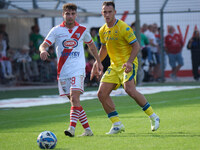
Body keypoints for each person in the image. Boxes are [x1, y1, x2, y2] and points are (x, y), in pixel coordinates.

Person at [91, 1, 160, 135]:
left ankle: (153, 116)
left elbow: (136, 46)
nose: (107, 14)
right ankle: (117, 124)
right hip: (114, 66)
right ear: (102, 13)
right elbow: (104, 48)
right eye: (105, 12)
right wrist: (96, 63)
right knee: (101, 94)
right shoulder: (102, 30)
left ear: (115, 13)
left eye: (110, 12)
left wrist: (129, 62)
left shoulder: (124, 28)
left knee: (130, 90)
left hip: (128, 64)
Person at [39, 3, 103, 137]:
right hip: (63, 71)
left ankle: (71, 129)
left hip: (78, 70)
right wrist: (43, 50)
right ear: (63, 15)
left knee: (74, 98)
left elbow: (91, 46)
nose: (70, 16)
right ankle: (88, 130)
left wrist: (98, 61)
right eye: (67, 13)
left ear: (76, 14)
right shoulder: (56, 30)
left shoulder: (82, 30)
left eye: (73, 13)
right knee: (75, 103)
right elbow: (43, 45)